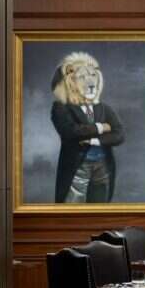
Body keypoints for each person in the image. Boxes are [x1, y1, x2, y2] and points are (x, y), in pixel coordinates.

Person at [49, 52, 125, 203]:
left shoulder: (104, 108)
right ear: (70, 81)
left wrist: (95, 141)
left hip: (103, 166)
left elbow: (120, 134)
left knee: (99, 208)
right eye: (82, 77)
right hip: (77, 167)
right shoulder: (61, 108)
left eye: (92, 75)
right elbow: (70, 132)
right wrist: (100, 127)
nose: (91, 82)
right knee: (72, 208)